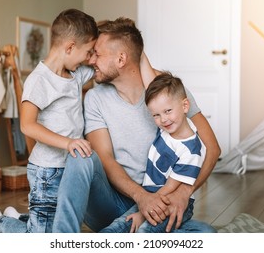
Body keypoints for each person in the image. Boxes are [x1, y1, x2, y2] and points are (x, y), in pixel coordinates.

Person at [52, 17, 221, 233]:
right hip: (113, 203)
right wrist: (141, 197)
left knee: (206, 234)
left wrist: (184, 192)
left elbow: (212, 149)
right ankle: (62, 240)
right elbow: (105, 159)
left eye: (97, 54)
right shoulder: (94, 98)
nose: (90, 60)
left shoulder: (169, 92)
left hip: (163, 201)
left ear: (121, 59)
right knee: (81, 155)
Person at [0, 8, 99, 233]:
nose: (91, 58)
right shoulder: (39, 80)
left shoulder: (75, 75)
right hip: (46, 170)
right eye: (89, 52)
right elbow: (27, 125)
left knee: (53, 228)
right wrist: (68, 142)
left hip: (67, 167)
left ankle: (18, 217)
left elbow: (103, 66)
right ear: (70, 47)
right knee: (41, 239)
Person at [100, 71, 206, 233]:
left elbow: (170, 188)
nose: (163, 119)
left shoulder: (191, 150)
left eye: (168, 111)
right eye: (156, 115)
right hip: (151, 196)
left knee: (144, 232)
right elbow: (157, 93)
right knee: (118, 226)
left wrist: (142, 213)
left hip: (169, 199)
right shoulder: (166, 129)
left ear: (185, 106)